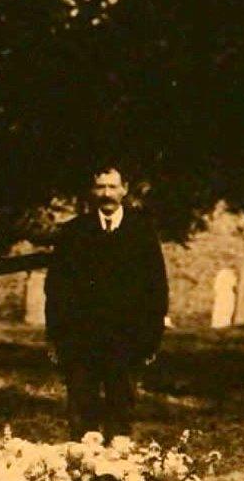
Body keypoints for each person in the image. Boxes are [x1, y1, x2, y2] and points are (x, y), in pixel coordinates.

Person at [45, 168, 169, 441]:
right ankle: (82, 474)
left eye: (113, 187)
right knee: (80, 415)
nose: (107, 194)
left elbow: (156, 288)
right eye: (100, 187)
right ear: (92, 191)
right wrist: (57, 337)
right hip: (81, 341)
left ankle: (120, 477)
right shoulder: (74, 232)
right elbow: (56, 289)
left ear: (125, 188)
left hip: (126, 340)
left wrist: (151, 339)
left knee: (121, 413)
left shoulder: (142, 231)